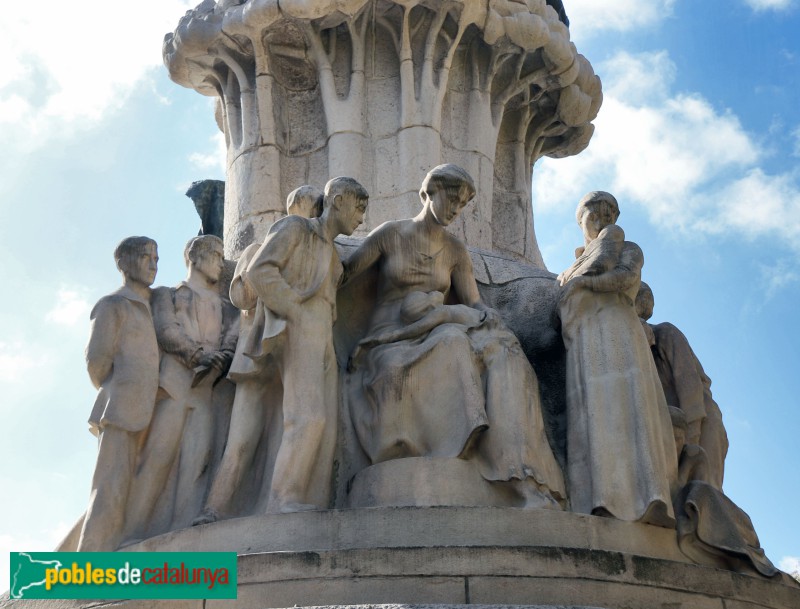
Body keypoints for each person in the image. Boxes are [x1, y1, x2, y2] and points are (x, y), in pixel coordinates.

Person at [342, 164, 565, 508]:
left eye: (461, 205)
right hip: (390, 341)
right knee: (454, 343)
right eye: (451, 200)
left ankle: (520, 473)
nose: (455, 210)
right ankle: (457, 445)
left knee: (506, 353)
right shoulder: (391, 234)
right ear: (429, 193)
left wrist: (490, 317)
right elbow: (345, 273)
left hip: (438, 328)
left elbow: (475, 302)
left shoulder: (455, 250)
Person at [193, 185, 328, 524]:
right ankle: (214, 509)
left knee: (289, 427)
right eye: (312, 205)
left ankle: (281, 499)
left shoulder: (322, 250)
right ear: (296, 205)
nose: (313, 212)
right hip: (254, 352)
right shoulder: (261, 245)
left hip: (293, 348)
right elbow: (242, 295)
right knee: (241, 437)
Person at [557, 191, 677, 527]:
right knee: (593, 411)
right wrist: (575, 286)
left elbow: (625, 277)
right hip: (584, 336)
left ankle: (647, 497)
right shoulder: (571, 266)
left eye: (609, 212)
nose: (602, 217)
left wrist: (582, 286)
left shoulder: (626, 246)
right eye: (594, 211)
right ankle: (599, 498)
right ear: (581, 217)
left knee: (629, 406)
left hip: (617, 328)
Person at [122, 235, 238, 541]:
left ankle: (183, 534)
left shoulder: (226, 306)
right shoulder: (167, 294)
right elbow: (166, 330)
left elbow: (232, 335)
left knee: (198, 464)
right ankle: (132, 534)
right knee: (157, 460)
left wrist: (223, 354)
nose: (219, 262)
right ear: (195, 257)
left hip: (206, 392)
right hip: (174, 387)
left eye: (221, 256)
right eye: (214, 254)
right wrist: (198, 355)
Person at [77, 237, 160, 551]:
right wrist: (122, 386)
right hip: (121, 407)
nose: (154, 264)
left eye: (156, 257)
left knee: (137, 485)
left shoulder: (157, 304)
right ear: (126, 263)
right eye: (145, 257)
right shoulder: (112, 304)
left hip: (155, 405)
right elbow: (96, 360)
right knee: (109, 487)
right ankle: (89, 563)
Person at [635, 282, 728, 490]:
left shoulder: (666, 334)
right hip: (676, 427)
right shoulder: (635, 352)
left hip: (702, 421)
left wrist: (691, 442)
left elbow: (691, 389)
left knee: (704, 489)